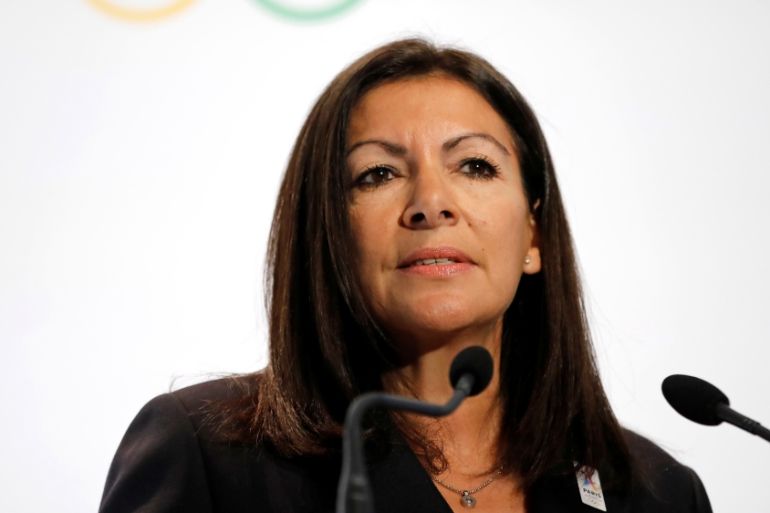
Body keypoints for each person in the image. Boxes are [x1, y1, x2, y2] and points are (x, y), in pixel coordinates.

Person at [99, 38, 712, 513]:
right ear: (329, 235)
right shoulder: (212, 457)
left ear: (534, 237)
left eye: (475, 166)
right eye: (378, 174)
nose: (431, 204)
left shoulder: (655, 495)